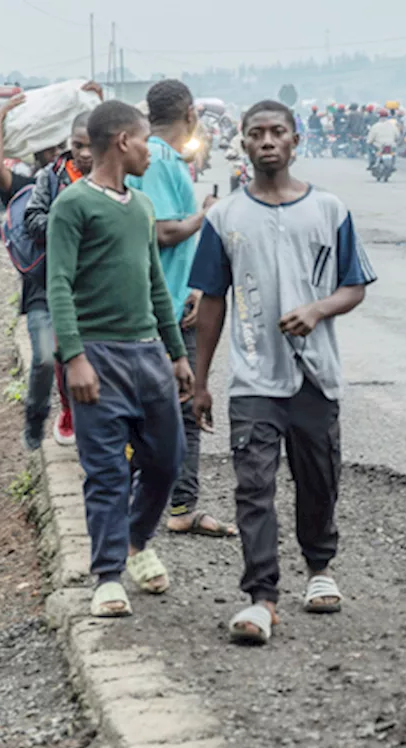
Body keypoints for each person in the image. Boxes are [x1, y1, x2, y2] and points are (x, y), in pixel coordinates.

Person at [189, 100, 375, 646]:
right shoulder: (225, 218)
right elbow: (212, 300)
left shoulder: (330, 210)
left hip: (316, 376)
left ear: (295, 141)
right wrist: (200, 382)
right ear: (242, 144)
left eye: (278, 132)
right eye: (256, 133)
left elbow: (354, 285)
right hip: (253, 378)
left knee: (319, 479)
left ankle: (319, 569)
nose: (268, 141)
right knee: (253, 486)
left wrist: (317, 309)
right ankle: (261, 599)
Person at [46, 100, 193, 620]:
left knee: (166, 459)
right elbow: (58, 283)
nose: (153, 151)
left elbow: (155, 282)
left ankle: (135, 539)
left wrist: (176, 352)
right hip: (98, 354)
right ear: (122, 142)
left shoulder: (143, 206)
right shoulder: (74, 204)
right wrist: (75, 357)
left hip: (149, 352)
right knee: (106, 471)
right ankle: (108, 575)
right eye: (146, 139)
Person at [126, 80, 235, 539]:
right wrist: (206, 213)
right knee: (183, 406)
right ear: (190, 113)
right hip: (165, 307)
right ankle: (179, 504)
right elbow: (163, 232)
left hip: (167, 298)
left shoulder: (156, 156)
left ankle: (153, 498)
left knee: (158, 408)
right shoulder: (160, 159)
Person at [20, 111, 94, 449]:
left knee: (76, 355)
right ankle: (36, 419)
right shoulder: (50, 177)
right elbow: (32, 219)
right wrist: (68, 225)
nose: (85, 154)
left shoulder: (116, 181)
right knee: (46, 357)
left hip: (89, 285)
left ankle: (75, 414)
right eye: (78, 145)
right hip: (46, 283)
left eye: (92, 146)